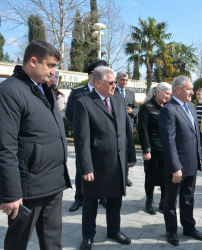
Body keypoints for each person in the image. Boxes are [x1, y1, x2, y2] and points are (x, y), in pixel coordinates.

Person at [0, 40, 71, 250]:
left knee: (53, 243)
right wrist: (10, 193)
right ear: (33, 61)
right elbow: (2, 147)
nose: (54, 72)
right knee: (18, 243)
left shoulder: (45, 89)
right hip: (27, 190)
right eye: (51, 65)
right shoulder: (8, 92)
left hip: (53, 183)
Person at [73, 66, 136, 249]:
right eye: (111, 83)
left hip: (118, 162)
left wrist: (131, 155)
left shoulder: (117, 99)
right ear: (98, 83)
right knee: (91, 202)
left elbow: (126, 131)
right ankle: (88, 236)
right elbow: (81, 140)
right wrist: (86, 168)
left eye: (115, 83)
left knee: (116, 199)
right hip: (96, 164)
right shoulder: (84, 103)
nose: (114, 86)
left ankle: (114, 230)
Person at [158, 76, 202, 246]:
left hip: (192, 163)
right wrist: (175, 167)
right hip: (176, 167)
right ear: (178, 90)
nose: (192, 92)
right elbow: (169, 142)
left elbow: (196, 135)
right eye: (189, 89)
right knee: (170, 202)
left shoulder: (191, 107)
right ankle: (171, 231)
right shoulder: (169, 110)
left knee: (188, 198)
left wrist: (200, 157)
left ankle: (189, 227)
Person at [65, 59, 108, 212]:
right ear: (92, 75)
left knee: (102, 168)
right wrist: (82, 127)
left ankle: (102, 196)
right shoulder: (78, 92)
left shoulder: (108, 92)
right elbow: (69, 114)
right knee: (81, 168)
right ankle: (79, 198)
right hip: (84, 139)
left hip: (102, 139)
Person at [138, 82, 172, 215]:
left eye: (170, 94)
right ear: (158, 91)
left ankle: (163, 202)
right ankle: (149, 201)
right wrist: (146, 150)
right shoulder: (146, 107)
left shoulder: (169, 107)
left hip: (167, 149)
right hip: (153, 149)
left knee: (166, 176)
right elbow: (143, 130)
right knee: (151, 176)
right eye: (166, 93)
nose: (168, 97)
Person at [115, 71, 138, 187]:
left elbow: (136, 108)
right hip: (116, 128)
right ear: (117, 80)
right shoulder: (112, 91)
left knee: (128, 153)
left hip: (128, 127)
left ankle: (126, 177)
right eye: (122, 80)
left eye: (126, 80)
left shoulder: (130, 93)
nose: (124, 82)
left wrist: (132, 112)